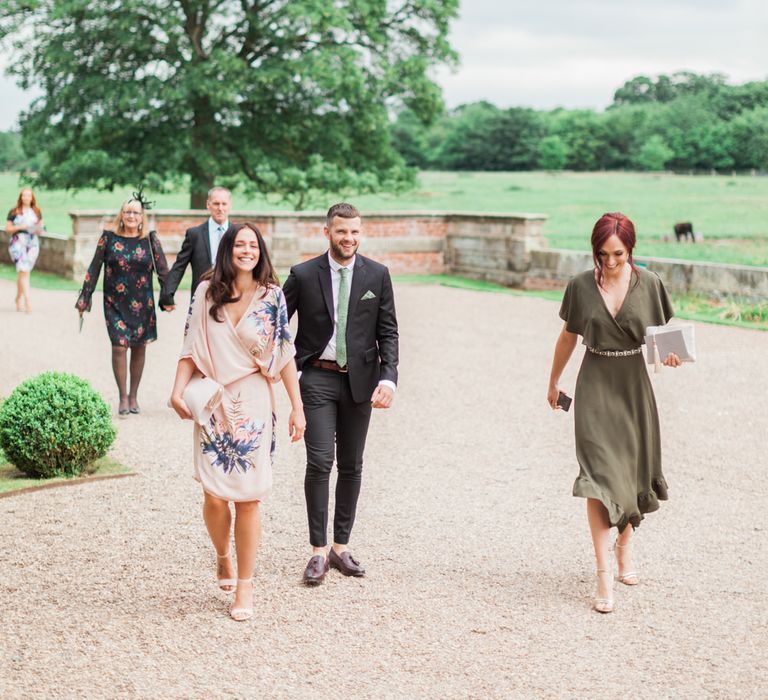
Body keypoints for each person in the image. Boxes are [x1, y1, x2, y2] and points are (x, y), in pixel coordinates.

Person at [547, 212, 682, 614]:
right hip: (595, 383)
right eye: (602, 254)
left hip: (633, 385)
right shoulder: (580, 286)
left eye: (618, 254)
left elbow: (661, 341)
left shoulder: (651, 284)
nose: (609, 262)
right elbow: (567, 336)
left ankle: (625, 543)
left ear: (631, 249)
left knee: (629, 472)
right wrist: (553, 382)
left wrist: (671, 357)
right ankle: (604, 570)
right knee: (597, 475)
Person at [169, 223, 305, 622]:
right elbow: (189, 346)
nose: (247, 250)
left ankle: (245, 584)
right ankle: (222, 556)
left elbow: (284, 356)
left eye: (253, 245)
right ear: (227, 249)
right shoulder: (205, 291)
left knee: (249, 497)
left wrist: (297, 408)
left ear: (260, 252)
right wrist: (176, 392)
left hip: (254, 404)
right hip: (212, 400)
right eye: (239, 244)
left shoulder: (272, 296)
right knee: (213, 495)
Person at [282, 202, 399, 586]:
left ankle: (340, 546)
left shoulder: (377, 275)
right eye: (341, 232)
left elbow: (388, 331)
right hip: (316, 377)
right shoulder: (302, 274)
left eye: (354, 232)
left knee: (352, 465)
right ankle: (317, 552)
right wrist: (289, 372)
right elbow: (278, 325)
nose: (348, 238)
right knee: (319, 462)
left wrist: (389, 379)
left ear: (360, 233)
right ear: (327, 232)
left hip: (360, 383)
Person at [75, 195, 170, 416]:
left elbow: (163, 270)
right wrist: (84, 298)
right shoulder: (108, 238)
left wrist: (167, 299)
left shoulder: (150, 240)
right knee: (119, 346)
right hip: (114, 303)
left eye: (136, 212)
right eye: (127, 211)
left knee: (139, 346)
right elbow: (94, 268)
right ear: (121, 214)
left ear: (142, 217)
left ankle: (134, 395)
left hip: (142, 304)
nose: (131, 216)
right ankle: (123, 397)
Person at [160, 186, 232, 309]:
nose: (220, 208)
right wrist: (167, 295)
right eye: (216, 204)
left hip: (232, 298)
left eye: (224, 204)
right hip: (202, 299)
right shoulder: (195, 234)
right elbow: (179, 266)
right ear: (208, 205)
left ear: (229, 205)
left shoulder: (239, 233)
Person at [6, 187, 43, 313]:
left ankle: (17, 298)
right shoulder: (14, 211)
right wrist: (20, 226)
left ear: (32, 197)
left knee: (24, 272)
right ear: (21, 197)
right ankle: (28, 301)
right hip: (18, 243)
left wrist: (38, 229)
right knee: (23, 270)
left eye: (28, 195)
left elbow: (40, 227)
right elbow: (8, 229)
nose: (26, 198)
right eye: (24, 195)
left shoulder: (36, 211)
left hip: (32, 243)